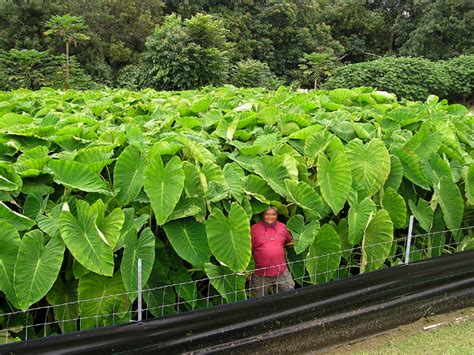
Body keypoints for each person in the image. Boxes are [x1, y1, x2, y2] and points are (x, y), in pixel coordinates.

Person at [249, 206, 295, 298]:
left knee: (289, 293)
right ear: (263, 215)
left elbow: (290, 241)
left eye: (273, 214)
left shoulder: (282, 227)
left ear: (277, 215)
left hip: (281, 271)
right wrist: (247, 271)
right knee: (258, 300)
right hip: (261, 274)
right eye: (267, 214)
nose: (270, 217)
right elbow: (247, 250)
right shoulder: (254, 229)